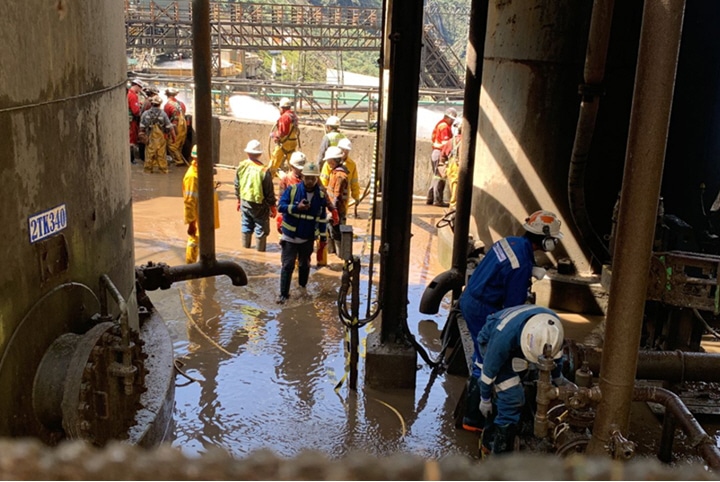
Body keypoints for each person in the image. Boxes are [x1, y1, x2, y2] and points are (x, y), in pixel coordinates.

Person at [458, 210, 564, 433]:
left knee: (484, 354)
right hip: (482, 308)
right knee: (484, 360)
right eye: (552, 240)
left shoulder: (511, 242)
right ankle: (474, 418)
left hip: (472, 296)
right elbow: (512, 310)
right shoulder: (520, 266)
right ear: (545, 240)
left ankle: (473, 414)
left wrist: (530, 270)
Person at [477, 304, 570, 457]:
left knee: (526, 377)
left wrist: (558, 378)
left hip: (518, 344)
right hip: (490, 340)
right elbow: (488, 373)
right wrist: (485, 398)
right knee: (512, 397)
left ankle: (511, 425)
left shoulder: (553, 329)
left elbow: (557, 358)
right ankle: (498, 453)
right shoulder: (502, 337)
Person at [276, 161, 329, 304]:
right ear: (302, 176)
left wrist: (323, 239)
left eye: (313, 178)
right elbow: (280, 206)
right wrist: (296, 207)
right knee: (287, 265)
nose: (310, 181)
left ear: (317, 178)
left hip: (307, 238)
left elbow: (322, 219)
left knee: (305, 265)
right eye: (307, 178)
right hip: (289, 237)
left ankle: (302, 289)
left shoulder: (321, 196)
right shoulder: (292, 190)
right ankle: (283, 295)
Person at [235, 139, 277, 252]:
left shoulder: (241, 166)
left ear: (247, 153)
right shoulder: (264, 171)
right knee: (261, 228)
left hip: (245, 202)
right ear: (259, 154)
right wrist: (273, 207)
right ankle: (260, 252)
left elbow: (237, 185)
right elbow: (269, 192)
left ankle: (245, 250)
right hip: (260, 205)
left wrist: (239, 200)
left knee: (246, 225)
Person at [183, 145, 220, 264]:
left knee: (205, 242)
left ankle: (204, 268)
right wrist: (191, 222)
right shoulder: (192, 177)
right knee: (194, 241)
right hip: (199, 217)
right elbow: (189, 201)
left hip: (206, 215)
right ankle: (191, 267)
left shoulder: (202, 172)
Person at [426, 107, 457, 207]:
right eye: (452, 119)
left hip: (436, 152)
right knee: (440, 178)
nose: (452, 122)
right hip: (440, 153)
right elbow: (446, 143)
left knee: (436, 176)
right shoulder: (444, 127)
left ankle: (430, 198)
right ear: (448, 117)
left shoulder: (440, 124)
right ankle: (437, 200)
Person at [320, 137, 360, 208]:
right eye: (343, 149)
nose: (344, 152)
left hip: (342, 200)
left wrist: (356, 196)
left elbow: (354, 182)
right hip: (330, 200)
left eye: (346, 150)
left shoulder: (351, 165)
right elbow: (323, 181)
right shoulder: (328, 164)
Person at [139, 96, 174, 174]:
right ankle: (163, 171)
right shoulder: (163, 114)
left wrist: (142, 138)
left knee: (149, 155)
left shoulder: (145, 113)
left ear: (151, 103)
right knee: (161, 155)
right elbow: (169, 127)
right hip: (161, 139)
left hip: (149, 138)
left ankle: (148, 171)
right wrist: (173, 138)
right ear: (160, 104)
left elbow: (141, 128)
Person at [324, 146, 348, 256]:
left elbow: (337, 196)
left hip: (337, 211)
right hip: (332, 210)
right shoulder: (335, 173)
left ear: (335, 160)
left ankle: (340, 256)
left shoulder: (340, 176)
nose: (328, 163)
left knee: (336, 234)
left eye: (329, 161)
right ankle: (332, 255)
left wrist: (333, 211)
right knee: (330, 233)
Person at [276, 151, 307, 235]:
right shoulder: (286, 180)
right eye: (298, 168)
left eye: (302, 168)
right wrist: (280, 217)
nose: (300, 170)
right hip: (290, 217)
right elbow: (281, 200)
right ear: (292, 166)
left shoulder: (309, 179)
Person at [269, 97, 300, 175]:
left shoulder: (284, 117)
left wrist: (274, 135)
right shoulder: (293, 116)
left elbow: (282, 132)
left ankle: (268, 181)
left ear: (282, 108)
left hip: (283, 145)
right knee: (293, 166)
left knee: (274, 163)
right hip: (292, 144)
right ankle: (295, 181)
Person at [164, 87, 188, 167]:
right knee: (179, 143)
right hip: (183, 124)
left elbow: (166, 117)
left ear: (167, 95)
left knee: (172, 145)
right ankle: (178, 158)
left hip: (175, 126)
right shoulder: (181, 103)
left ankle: (179, 160)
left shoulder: (167, 105)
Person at [443, 118, 462, 209]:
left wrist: (443, 165)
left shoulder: (451, 141)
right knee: (456, 187)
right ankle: (454, 208)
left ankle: (454, 205)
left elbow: (443, 155)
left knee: (453, 186)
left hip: (450, 166)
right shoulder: (465, 141)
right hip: (457, 167)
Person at [127, 78, 145, 164]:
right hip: (132, 121)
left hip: (129, 120)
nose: (140, 90)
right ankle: (131, 159)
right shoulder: (133, 95)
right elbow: (136, 111)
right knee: (131, 140)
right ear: (137, 86)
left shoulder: (129, 93)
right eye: (140, 87)